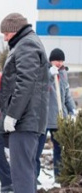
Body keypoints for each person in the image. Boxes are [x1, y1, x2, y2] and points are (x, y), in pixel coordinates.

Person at [0, 13, 49, 193]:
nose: (5, 38)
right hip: (27, 119)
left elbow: (25, 82)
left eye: (7, 33)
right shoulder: (26, 43)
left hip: (25, 120)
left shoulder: (27, 45)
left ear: (16, 30)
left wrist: (12, 114)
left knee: (23, 172)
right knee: (21, 171)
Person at [35, 48, 76, 183]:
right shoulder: (43, 72)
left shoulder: (63, 74)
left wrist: (72, 110)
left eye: (61, 60)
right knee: (37, 149)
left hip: (59, 118)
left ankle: (59, 176)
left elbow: (66, 95)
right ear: (50, 60)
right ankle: (33, 176)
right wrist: (48, 76)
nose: (59, 63)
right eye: (56, 60)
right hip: (44, 118)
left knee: (60, 150)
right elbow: (39, 88)